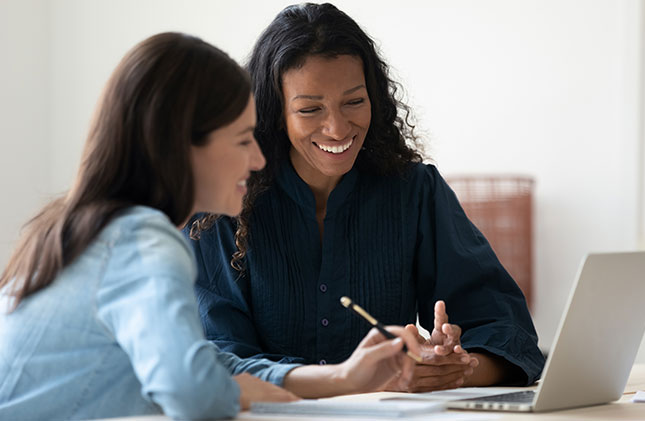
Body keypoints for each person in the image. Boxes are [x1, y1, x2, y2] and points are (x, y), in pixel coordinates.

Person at [0, 32, 420, 421]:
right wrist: (241, 392)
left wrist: (343, 378)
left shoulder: (88, 229)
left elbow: (198, 362)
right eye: (242, 139)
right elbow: (193, 391)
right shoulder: (142, 239)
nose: (258, 159)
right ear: (181, 147)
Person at [186, 2, 546, 393]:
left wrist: (449, 368)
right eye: (310, 109)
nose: (338, 128)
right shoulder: (223, 205)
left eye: (354, 102)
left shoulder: (414, 191)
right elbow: (218, 361)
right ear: (275, 113)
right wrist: (352, 380)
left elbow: (511, 334)